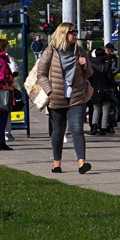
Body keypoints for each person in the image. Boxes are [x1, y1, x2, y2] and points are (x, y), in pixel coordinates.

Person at [35, 22, 94, 174]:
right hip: (57, 98)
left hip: (77, 97)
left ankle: (82, 163)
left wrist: (85, 64)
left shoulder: (80, 51)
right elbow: (40, 74)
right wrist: (49, 91)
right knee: (58, 131)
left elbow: (89, 74)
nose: (75, 34)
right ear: (63, 34)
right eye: (72, 32)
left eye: (75, 32)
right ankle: (57, 163)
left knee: (77, 129)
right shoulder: (51, 51)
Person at [88, 44, 118, 135]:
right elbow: (110, 79)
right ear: (103, 55)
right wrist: (114, 89)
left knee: (96, 109)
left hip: (94, 90)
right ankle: (103, 128)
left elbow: (89, 79)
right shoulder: (107, 65)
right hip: (106, 91)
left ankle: (94, 127)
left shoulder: (91, 66)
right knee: (105, 110)